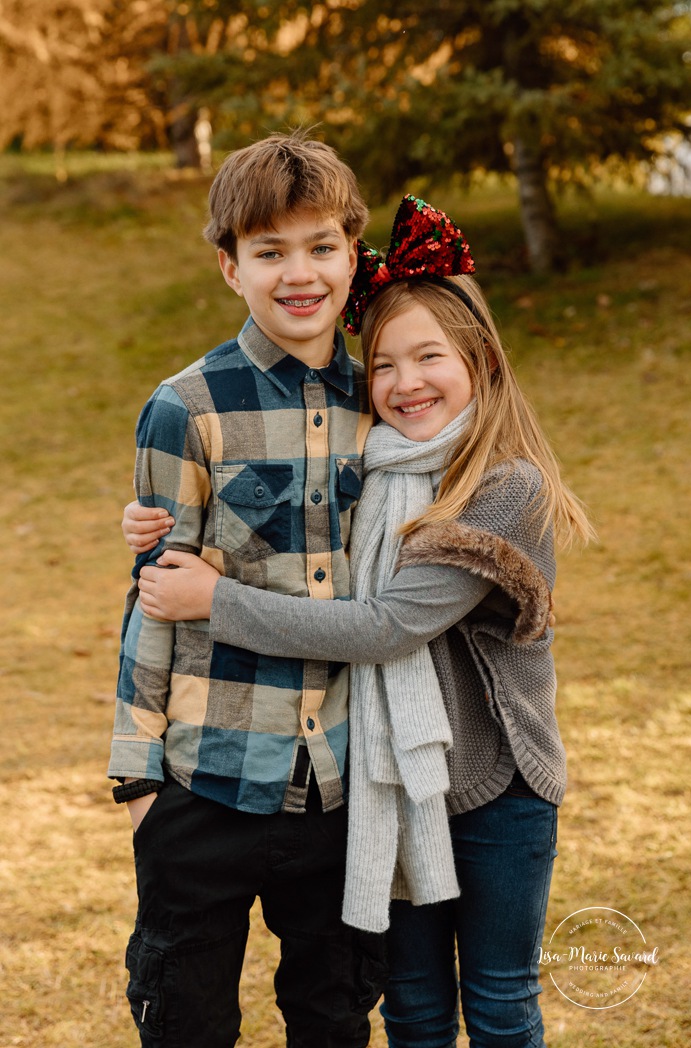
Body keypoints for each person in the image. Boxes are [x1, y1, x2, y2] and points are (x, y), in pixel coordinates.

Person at [125, 193, 595, 1048]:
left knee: (496, 1002)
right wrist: (152, 523)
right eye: (384, 365)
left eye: (429, 358)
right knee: (410, 1005)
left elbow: (384, 626)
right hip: (386, 785)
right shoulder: (373, 454)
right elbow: (281, 513)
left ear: (483, 360)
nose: (406, 383)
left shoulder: (504, 487)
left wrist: (215, 600)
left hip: (492, 784)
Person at [109, 128, 390, 1048]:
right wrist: (139, 779)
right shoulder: (184, 407)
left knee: (334, 1015)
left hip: (341, 784)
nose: (298, 274)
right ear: (231, 267)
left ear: (353, 254)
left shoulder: (387, 402)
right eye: (269, 252)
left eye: (320, 247)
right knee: (186, 1021)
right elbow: (154, 594)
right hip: (208, 779)